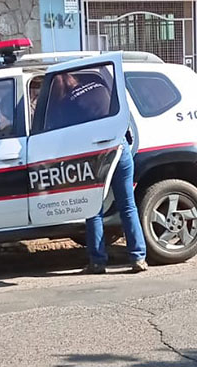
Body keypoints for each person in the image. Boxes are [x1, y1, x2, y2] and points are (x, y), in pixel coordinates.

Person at [50, 71, 147, 274]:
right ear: (74, 78)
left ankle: (97, 262)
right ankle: (138, 258)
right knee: (128, 205)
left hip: (96, 154)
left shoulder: (65, 103)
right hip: (120, 148)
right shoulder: (100, 86)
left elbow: (64, 136)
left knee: (93, 208)